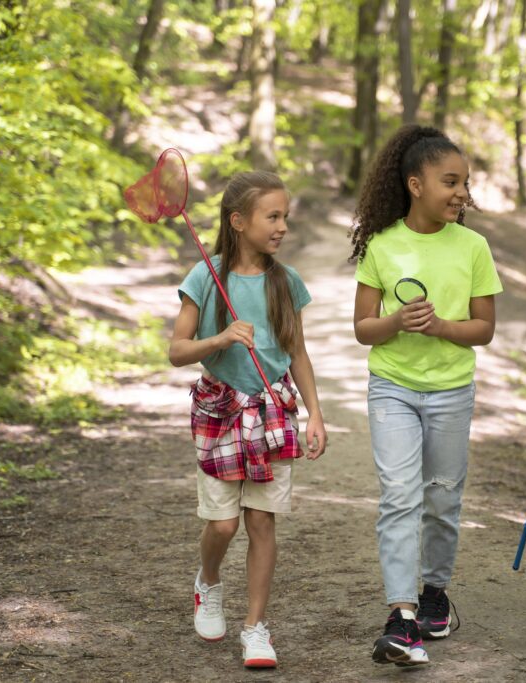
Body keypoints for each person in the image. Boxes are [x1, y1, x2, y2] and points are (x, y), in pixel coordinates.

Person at [349, 124, 503, 667]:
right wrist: (395, 320)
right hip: (392, 387)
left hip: (450, 392)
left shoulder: (474, 247)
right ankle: (402, 615)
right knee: (399, 496)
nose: (462, 193)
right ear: (416, 184)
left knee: (441, 498)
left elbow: (484, 329)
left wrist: (439, 327)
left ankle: (435, 591)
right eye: (450, 181)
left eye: (465, 183)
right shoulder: (384, 246)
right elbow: (363, 329)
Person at [169, 170, 327, 669]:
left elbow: (297, 351)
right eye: (272, 216)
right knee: (222, 524)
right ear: (238, 221)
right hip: (220, 409)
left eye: (285, 217)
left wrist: (316, 414)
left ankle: (255, 628)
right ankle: (208, 582)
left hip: (272, 408)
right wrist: (218, 339)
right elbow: (177, 351)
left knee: (262, 521)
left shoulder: (287, 281)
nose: (282, 226)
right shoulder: (205, 277)